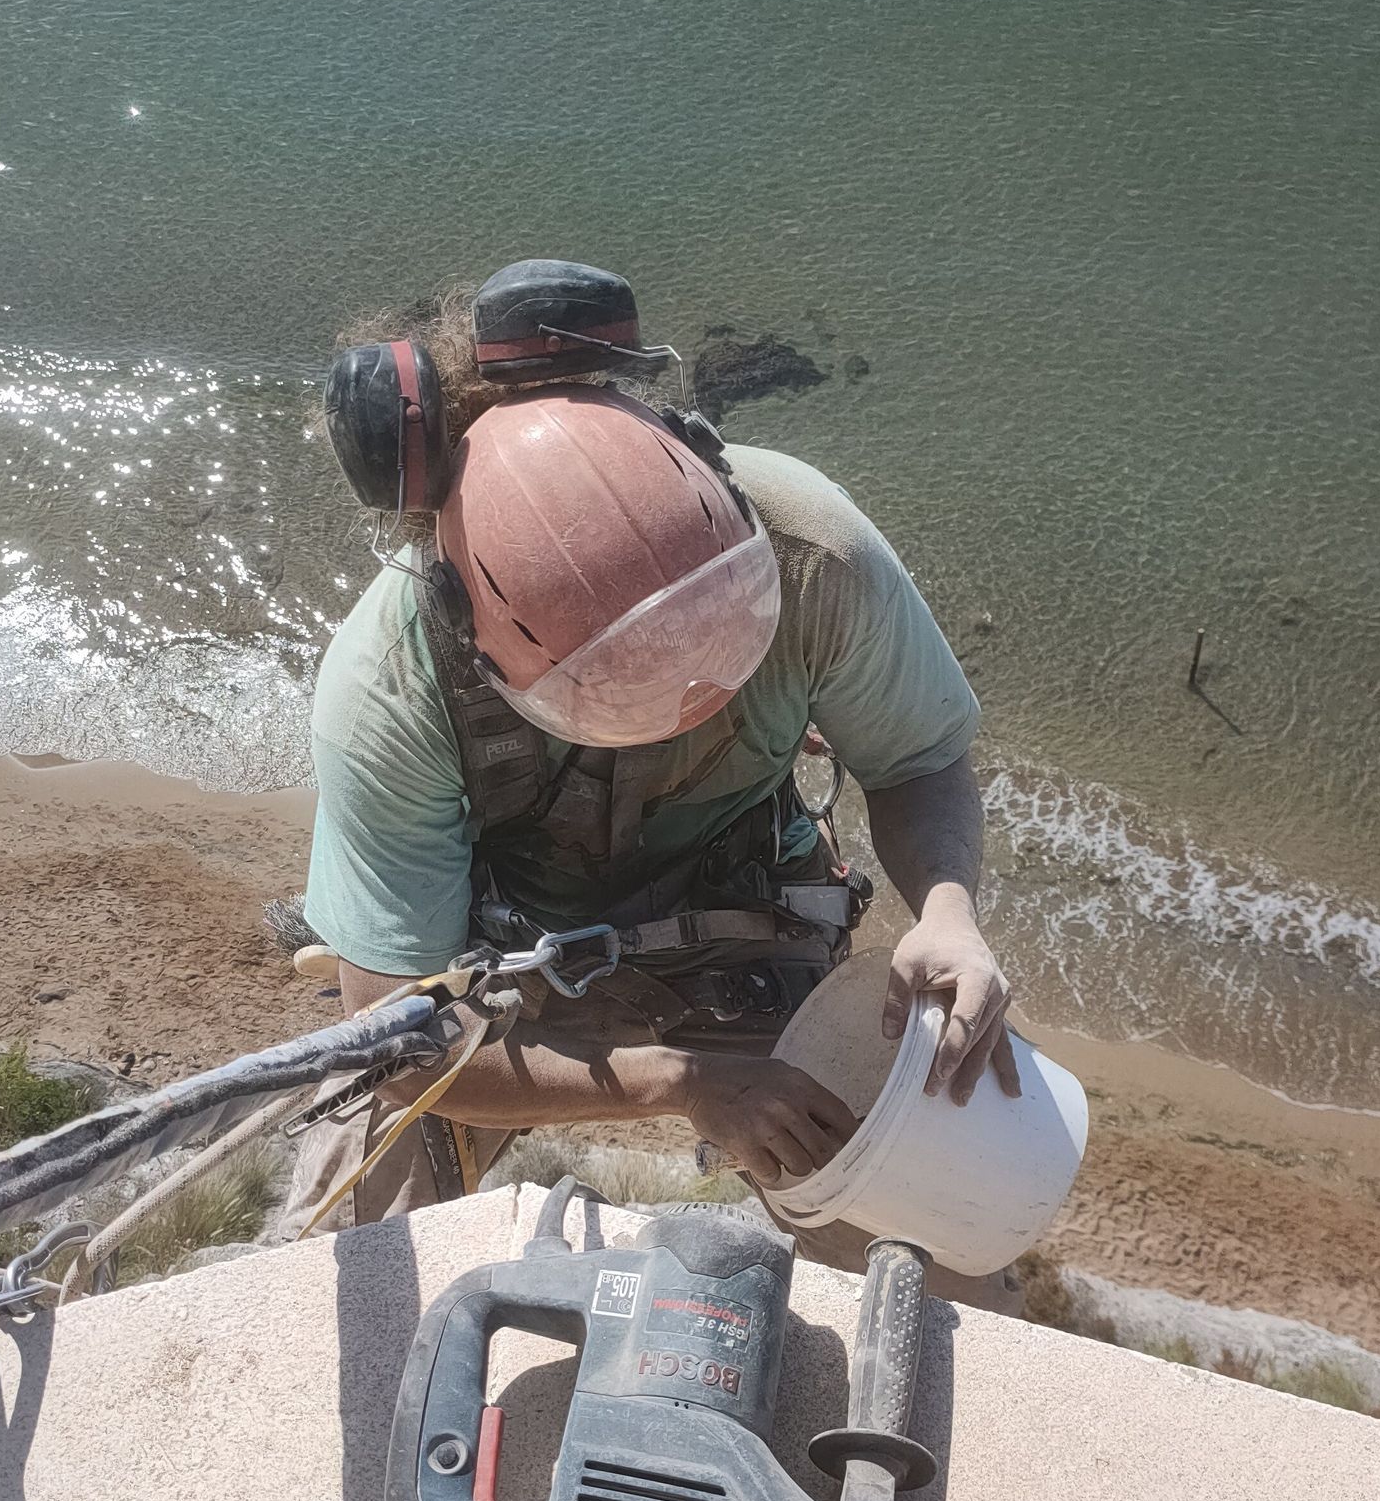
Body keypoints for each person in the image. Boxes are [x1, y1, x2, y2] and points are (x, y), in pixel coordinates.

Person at [289, 259, 1016, 1230]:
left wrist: (949, 911)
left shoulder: (815, 554)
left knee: (916, 1204)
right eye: (623, 691)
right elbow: (399, 1042)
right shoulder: (390, 683)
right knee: (349, 1225)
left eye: (714, 653)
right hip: (506, 957)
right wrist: (678, 1082)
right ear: (479, 632)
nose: (685, 709)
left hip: (738, 911)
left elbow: (917, 759)